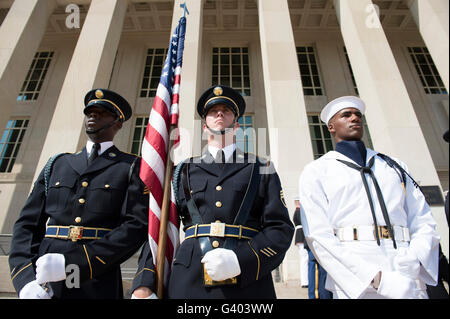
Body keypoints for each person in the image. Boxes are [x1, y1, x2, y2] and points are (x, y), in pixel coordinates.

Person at [132, 85, 294, 299]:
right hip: (189, 279)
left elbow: (280, 229)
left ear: (237, 126)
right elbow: (159, 227)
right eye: (212, 111)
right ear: (204, 127)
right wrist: (144, 283)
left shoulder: (261, 167)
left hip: (247, 283)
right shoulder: (183, 170)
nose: (219, 113)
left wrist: (241, 260)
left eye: (226, 111)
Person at [9, 89, 151, 299]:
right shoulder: (57, 164)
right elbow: (27, 225)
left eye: (102, 112)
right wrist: (25, 280)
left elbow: (135, 227)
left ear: (118, 123)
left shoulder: (130, 167)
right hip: (45, 276)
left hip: (96, 277)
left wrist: (74, 263)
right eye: (90, 112)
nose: (93, 116)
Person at [298, 96, 440, 299]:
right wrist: (375, 278)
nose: (354, 118)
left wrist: (415, 258)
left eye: (358, 115)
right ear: (331, 126)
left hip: (406, 268)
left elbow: (423, 219)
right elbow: (318, 235)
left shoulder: (394, 166)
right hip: (356, 277)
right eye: (346, 115)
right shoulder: (317, 171)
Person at [292, 197, 308, 288]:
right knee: (304, 258)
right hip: (301, 235)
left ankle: (305, 281)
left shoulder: (297, 211)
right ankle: (305, 281)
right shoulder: (299, 212)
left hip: (299, 235)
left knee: (304, 259)